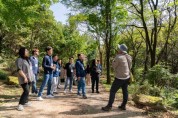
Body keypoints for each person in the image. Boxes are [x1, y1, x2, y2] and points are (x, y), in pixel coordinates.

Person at [102, 44, 132, 111]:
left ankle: (109, 106)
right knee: (125, 91)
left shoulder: (118, 57)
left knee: (112, 91)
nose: (117, 50)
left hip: (119, 78)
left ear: (121, 50)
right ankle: (123, 105)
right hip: (127, 77)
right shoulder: (128, 56)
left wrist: (114, 60)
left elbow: (113, 66)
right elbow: (130, 66)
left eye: (118, 49)